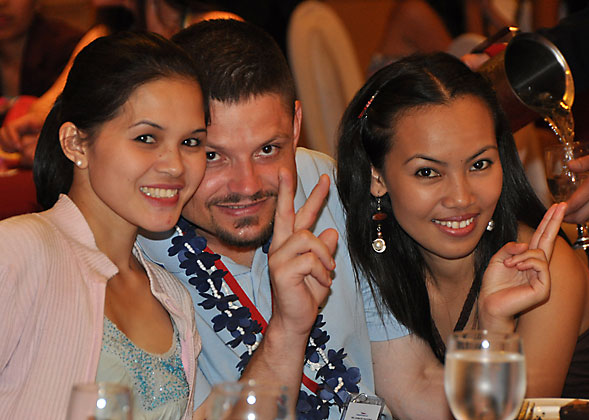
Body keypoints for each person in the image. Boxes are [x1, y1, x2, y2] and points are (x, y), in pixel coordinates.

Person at [137, 19, 410, 420]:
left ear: (296, 126)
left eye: (267, 149)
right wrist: (287, 327)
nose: (246, 186)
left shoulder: (326, 185)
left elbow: (408, 379)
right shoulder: (138, 254)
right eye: (213, 156)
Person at [336, 53, 589, 408]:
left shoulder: (541, 269)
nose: (461, 198)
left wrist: (495, 326)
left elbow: (501, 416)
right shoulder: (369, 259)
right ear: (377, 177)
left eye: (479, 164)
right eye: (428, 172)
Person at [0, 31, 208, 419]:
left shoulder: (173, 297)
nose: (175, 166)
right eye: (146, 138)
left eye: (192, 142)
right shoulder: (18, 252)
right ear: (76, 143)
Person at [0, 0, 240, 167]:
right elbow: (55, 104)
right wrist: (36, 127)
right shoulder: (105, 34)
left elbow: (229, 132)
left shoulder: (215, 27)